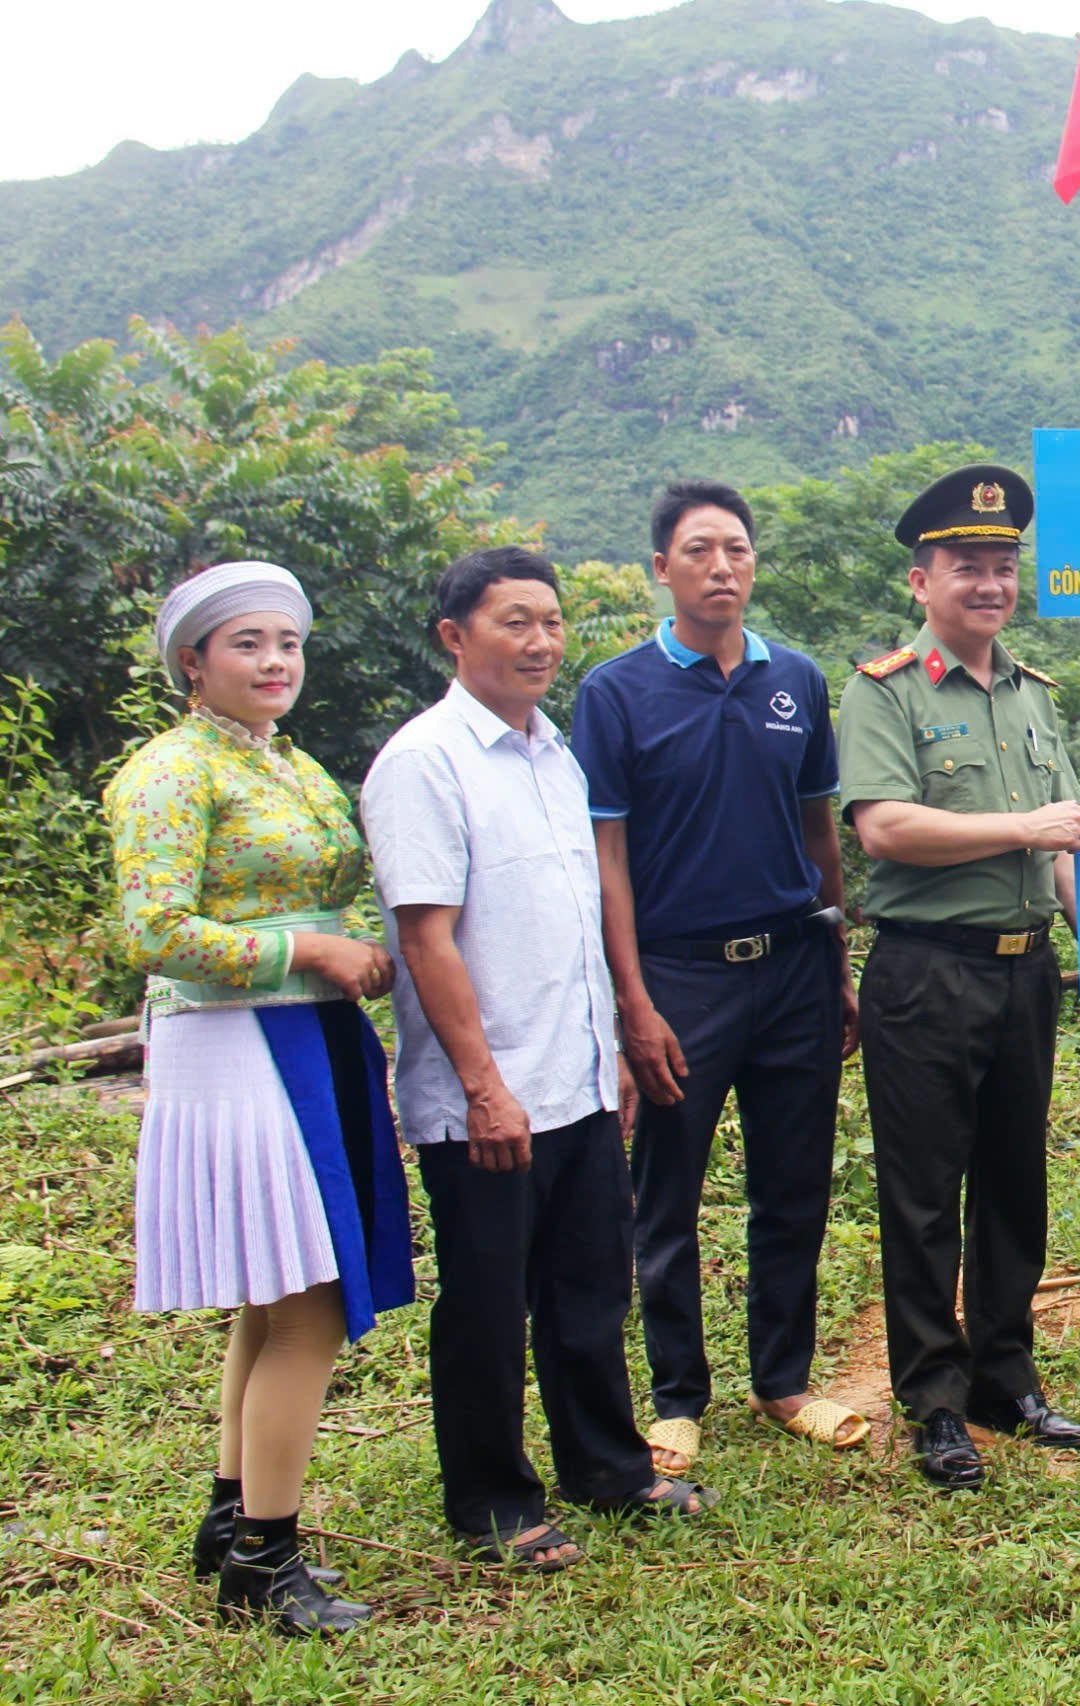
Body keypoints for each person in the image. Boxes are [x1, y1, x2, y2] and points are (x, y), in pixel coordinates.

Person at [363, 546, 713, 1571]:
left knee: (590, 1286)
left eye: (551, 621)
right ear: (454, 636)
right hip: (489, 1096)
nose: (541, 641)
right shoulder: (423, 761)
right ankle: (490, 1499)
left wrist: (610, 1053)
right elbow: (428, 938)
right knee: (485, 1300)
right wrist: (482, 1087)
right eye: (515, 621)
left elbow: (573, 921)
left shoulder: (556, 754)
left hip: (574, 1082)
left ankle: (606, 1465)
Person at [106, 561, 413, 1636]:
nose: (274, 660)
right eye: (247, 643)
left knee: (270, 1296)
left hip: (308, 1033)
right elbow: (153, 930)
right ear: (194, 662)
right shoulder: (170, 770)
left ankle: (231, 1518)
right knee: (309, 1300)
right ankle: (266, 1562)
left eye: (286, 641)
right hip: (240, 1042)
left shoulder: (284, 760)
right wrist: (308, 944)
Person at [570, 480, 864, 1478]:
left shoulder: (800, 680)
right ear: (663, 568)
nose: (721, 566)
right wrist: (631, 1000)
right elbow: (606, 856)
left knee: (794, 1185)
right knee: (668, 1192)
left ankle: (783, 1377)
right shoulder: (616, 692)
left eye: (736, 548)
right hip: (679, 975)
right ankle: (676, 1394)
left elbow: (819, 827)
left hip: (791, 966)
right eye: (698, 550)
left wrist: (836, 961)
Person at [837, 463, 1080, 1491]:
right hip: (925, 974)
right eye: (966, 567)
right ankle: (935, 1401)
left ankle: (1004, 1374)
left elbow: (1072, 842)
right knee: (920, 1194)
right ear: (922, 580)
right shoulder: (885, 691)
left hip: (1024, 972)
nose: (989, 583)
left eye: (1002, 565)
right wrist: (1022, 826)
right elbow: (886, 828)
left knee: (1013, 1181)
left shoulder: (1035, 698)